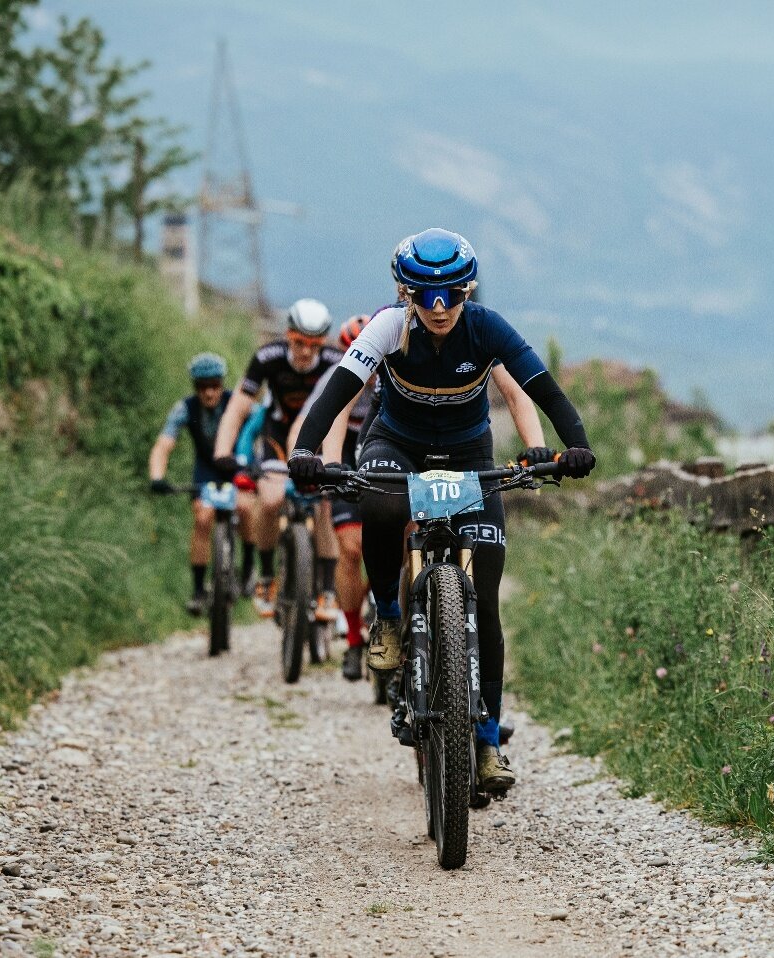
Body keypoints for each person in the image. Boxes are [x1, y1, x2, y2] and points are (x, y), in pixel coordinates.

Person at [289, 229, 594, 794]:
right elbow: (337, 392)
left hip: (469, 453)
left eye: (452, 296)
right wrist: (306, 452)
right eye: (426, 297)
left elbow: (540, 386)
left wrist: (573, 443)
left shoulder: (486, 327)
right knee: (378, 504)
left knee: (489, 599)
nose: (439, 309)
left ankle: (487, 742)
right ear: (405, 294)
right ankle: (386, 615)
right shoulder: (387, 327)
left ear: (467, 291)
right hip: (395, 445)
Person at [291, 312, 556, 682]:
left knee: (466, 573)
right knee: (370, 530)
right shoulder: (386, 345)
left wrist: (537, 449)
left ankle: (471, 684)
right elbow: (338, 408)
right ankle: (382, 618)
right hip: (389, 447)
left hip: (459, 450)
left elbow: (516, 392)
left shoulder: (477, 338)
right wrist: (330, 462)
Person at [212, 299, 344, 619]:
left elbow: (340, 412)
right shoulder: (267, 358)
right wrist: (222, 451)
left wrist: (332, 460)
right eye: (299, 343)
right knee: (270, 500)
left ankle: (327, 587)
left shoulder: (334, 361)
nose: (306, 352)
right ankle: (267, 576)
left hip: (318, 434)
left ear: (323, 342)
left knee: (324, 504)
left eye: (314, 345)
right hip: (277, 434)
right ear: (288, 334)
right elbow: (239, 407)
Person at [148, 353, 256, 614]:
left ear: (222, 383)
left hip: (238, 467)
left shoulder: (237, 403)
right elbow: (164, 445)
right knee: (202, 518)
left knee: (245, 509)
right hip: (206, 471)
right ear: (195, 387)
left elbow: (260, 429)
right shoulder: (184, 408)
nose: (209, 393)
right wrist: (157, 477)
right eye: (202, 387)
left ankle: (250, 570)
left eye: (215, 385)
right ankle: (198, 590)